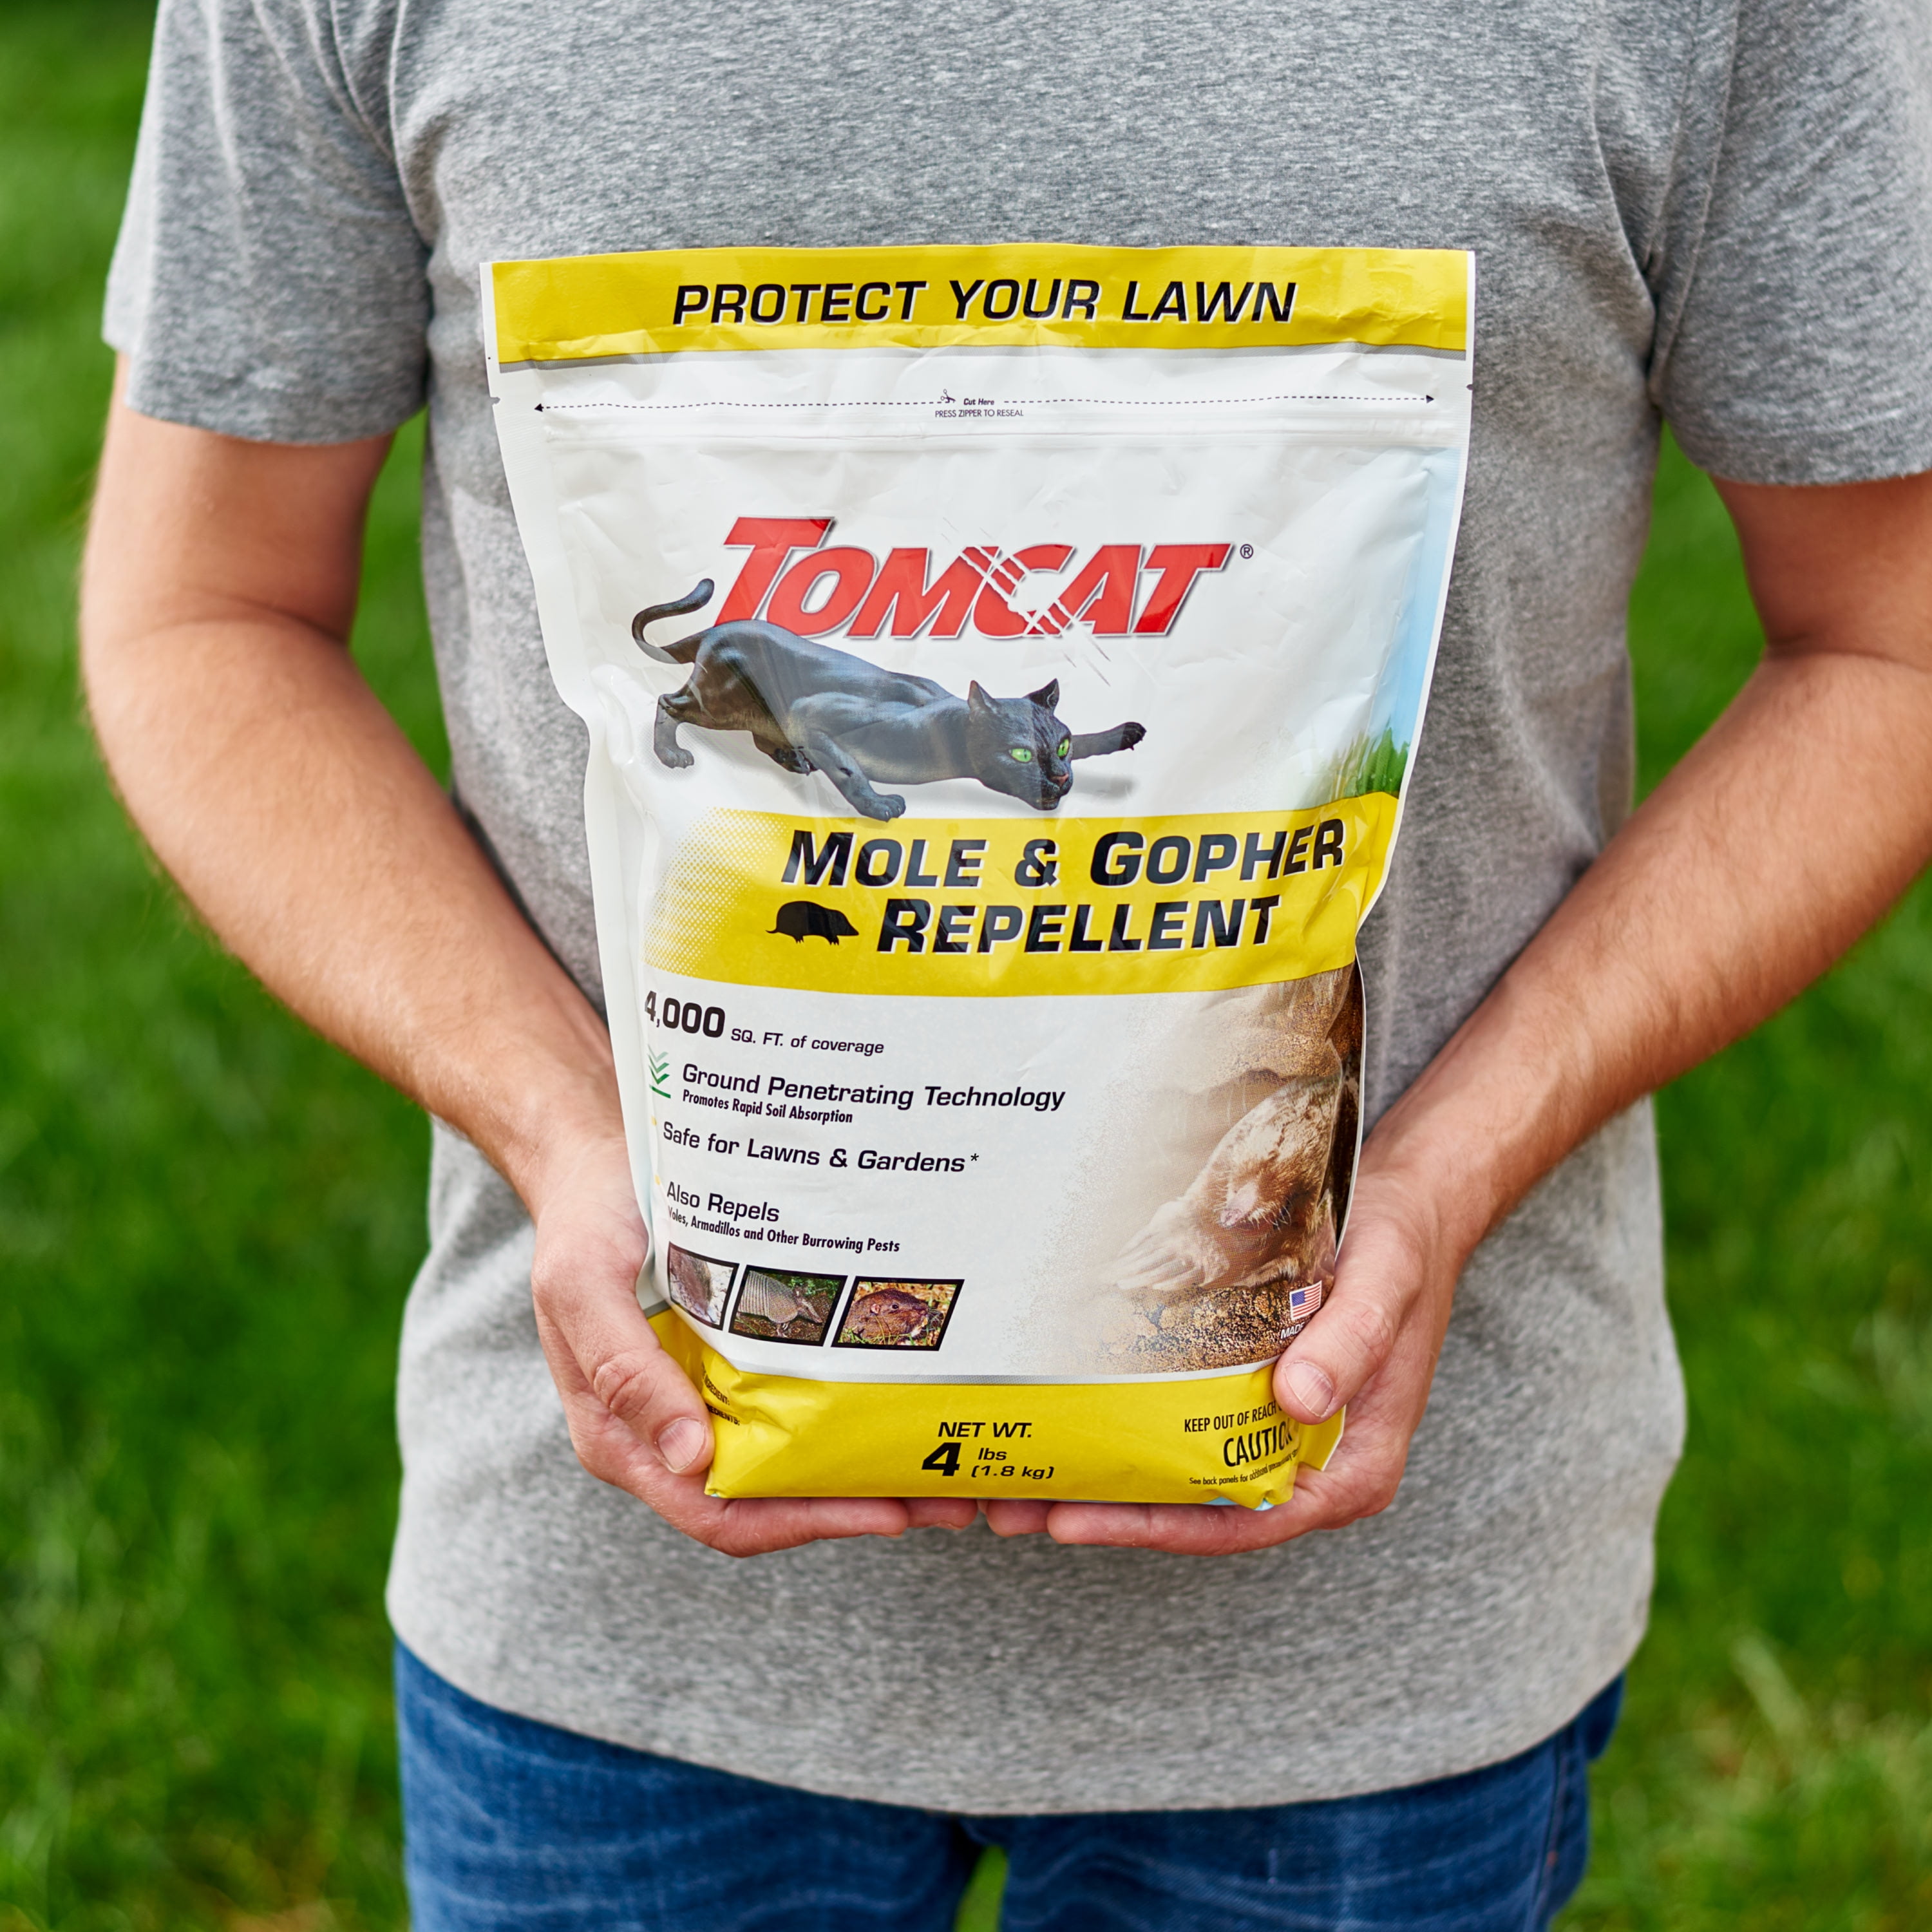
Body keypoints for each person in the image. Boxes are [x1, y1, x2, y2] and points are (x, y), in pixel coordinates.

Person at [81, 0, 1932, 1926]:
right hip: (620, 1585)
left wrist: (1447, 1175)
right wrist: (558, 1130)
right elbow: (206, 607)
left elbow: (1887, 640)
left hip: (1367, 1635)